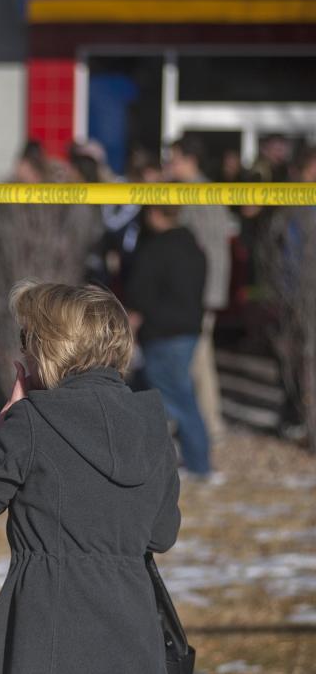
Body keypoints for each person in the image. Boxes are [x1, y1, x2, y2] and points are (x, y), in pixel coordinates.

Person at [0, 280, 180, 673]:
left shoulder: (32, 420)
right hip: (133, 628)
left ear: (50, 346)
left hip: (43, 624)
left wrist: (4, 422)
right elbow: (161, 535)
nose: (23, 350)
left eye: (28, 338)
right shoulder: (152, 424)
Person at [125, 205, 211, 478]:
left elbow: (140, 295)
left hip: (162, 334)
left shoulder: (154, 249)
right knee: (176, 396)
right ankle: (192, 460)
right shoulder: (193, 246)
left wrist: (130, 328)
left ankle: (198, 464)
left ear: (154, 213)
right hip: (188, 330)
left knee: (174, 400)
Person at [165, 135, 236, 443]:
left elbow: (215, 251)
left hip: (198, 294)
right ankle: (199, 420)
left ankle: (208, 422)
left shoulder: (203, 193)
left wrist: (207, 295)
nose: (170, 164)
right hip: (189, 293)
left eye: (174, 158)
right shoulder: (184, 191)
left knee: (197, 358)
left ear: (189, 159)